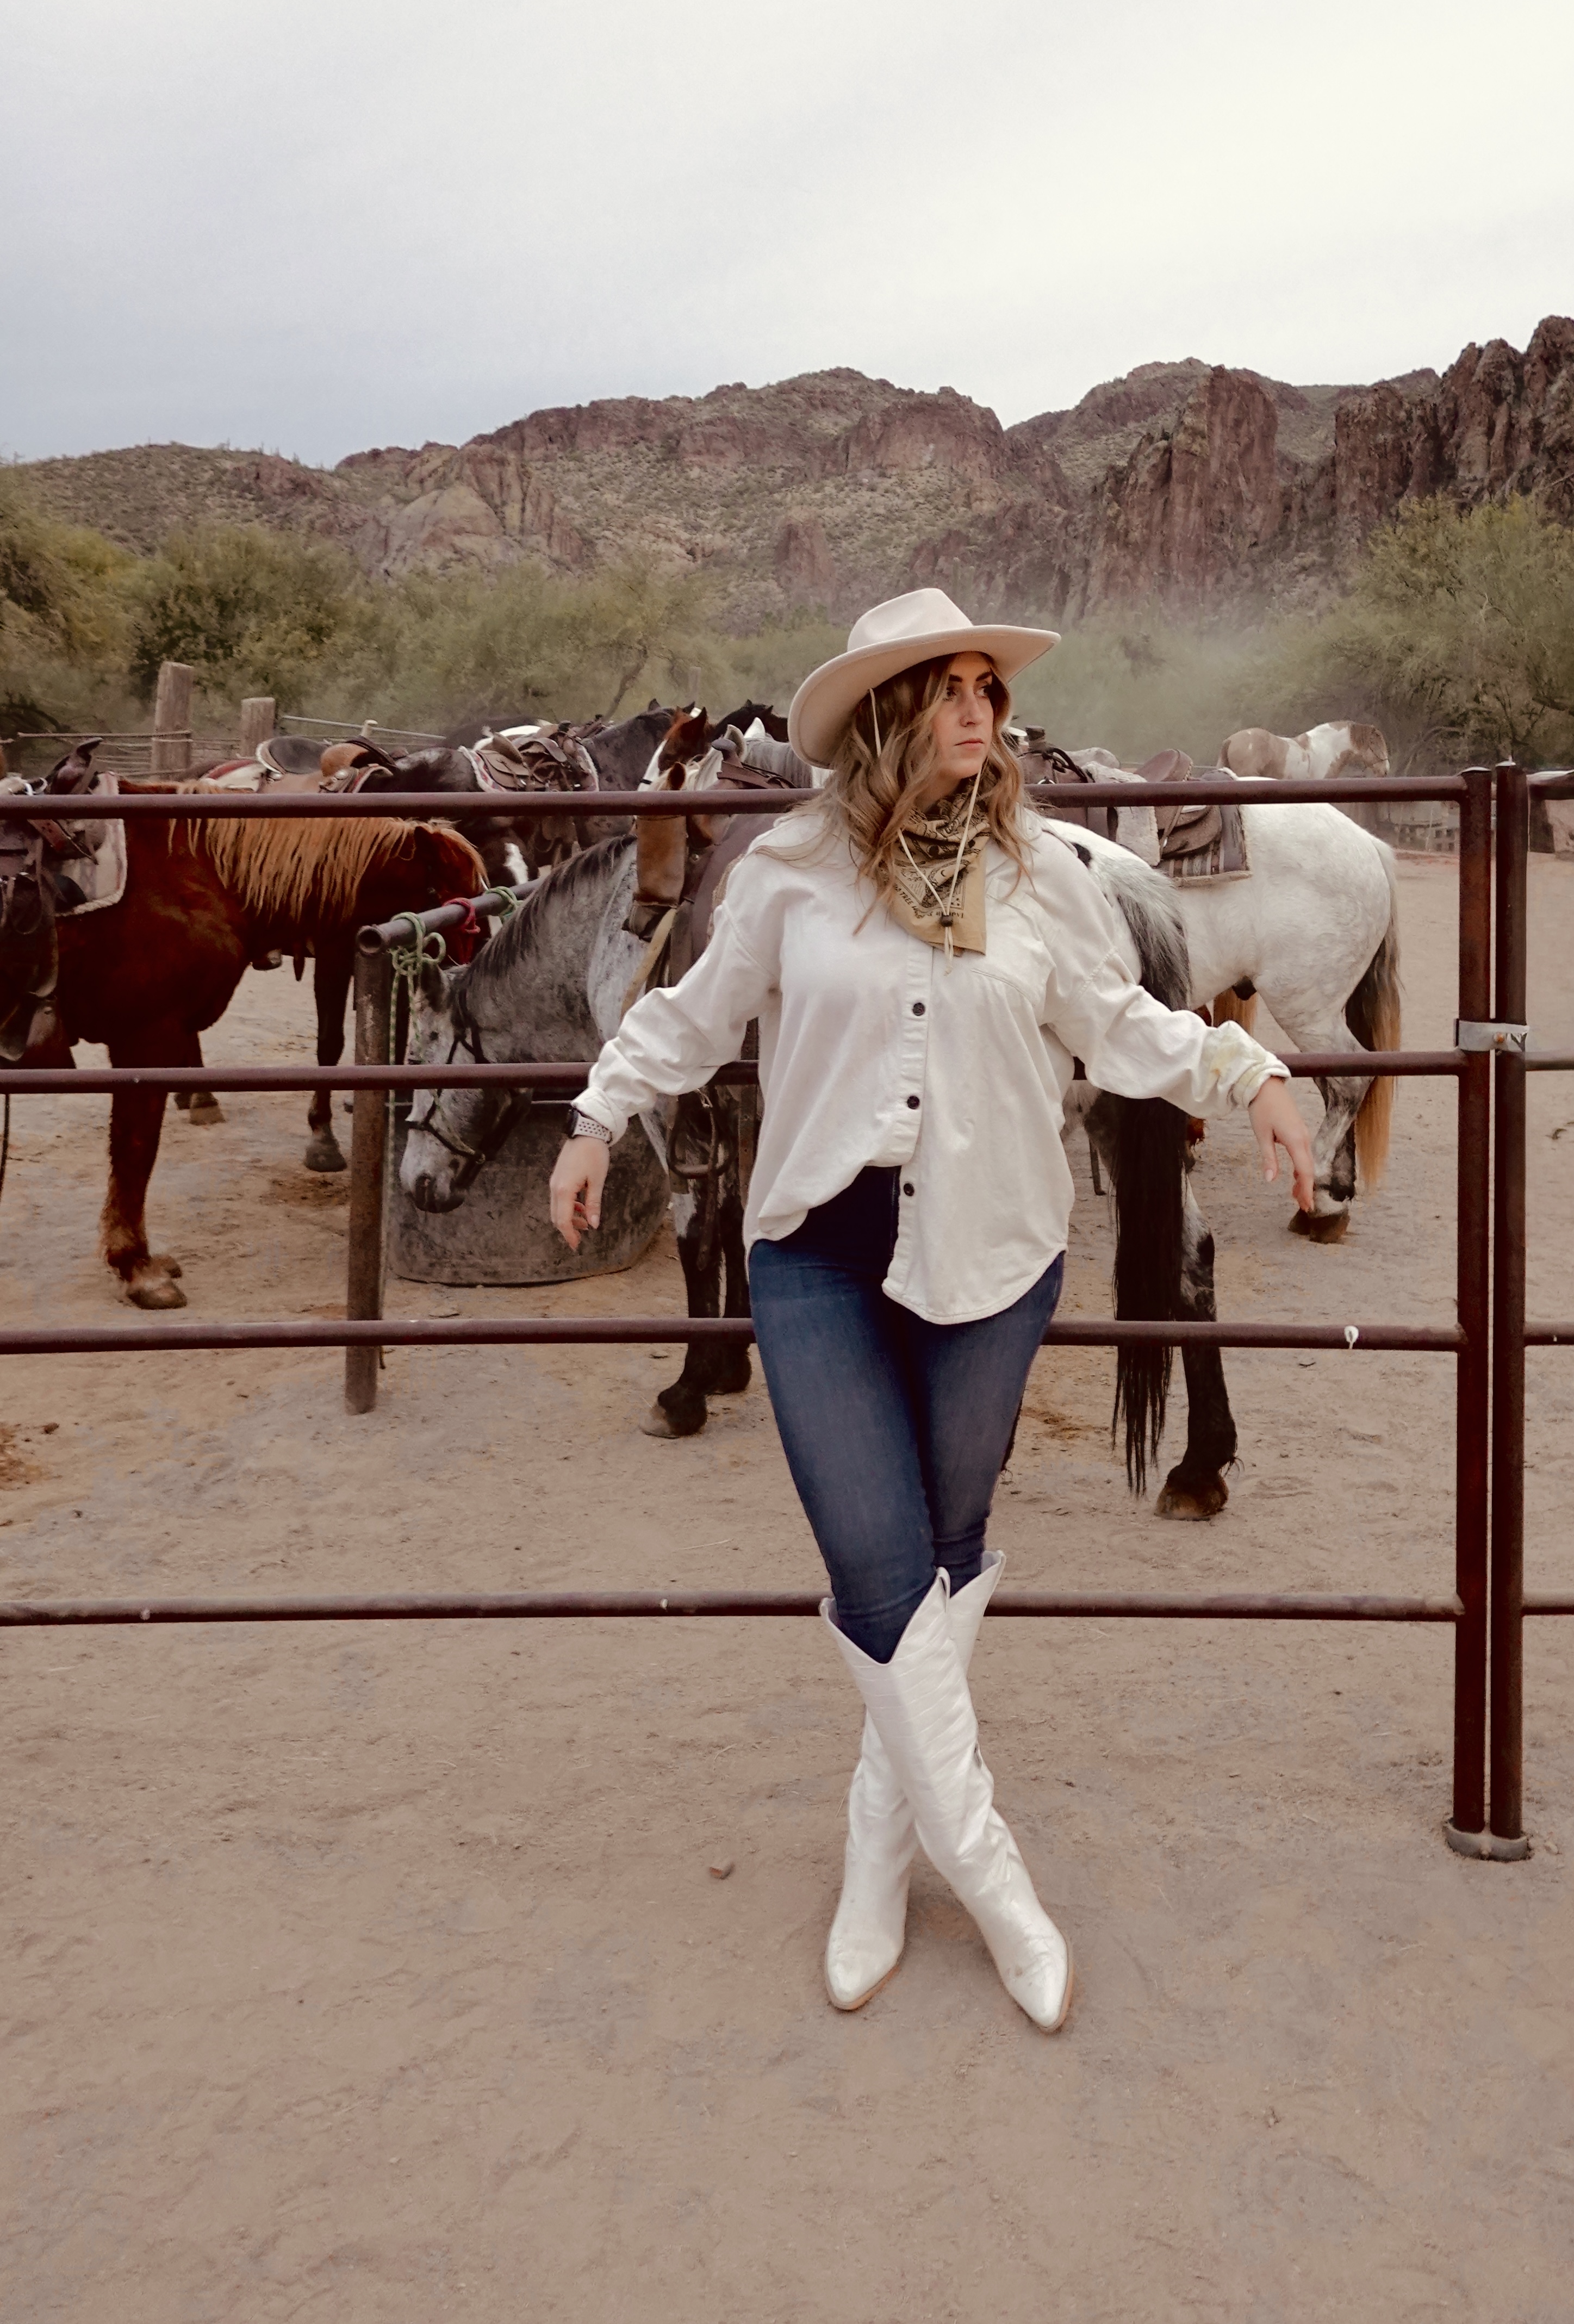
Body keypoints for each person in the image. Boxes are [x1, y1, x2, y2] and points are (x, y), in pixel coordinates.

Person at [549, 589, 1313, 2033]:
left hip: (993, 1258)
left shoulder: (1039, 875)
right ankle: (994, 1878)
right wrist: (598, 1116)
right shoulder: (788, 870)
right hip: (816, 1262)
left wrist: (1245, 1073)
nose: (982, 707)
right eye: (950, 686)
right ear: (892, 715)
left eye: (988, 686)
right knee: (886, 1573)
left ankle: (877, 1853)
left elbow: (1117, 1024)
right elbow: (695, 1018)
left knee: (947, 1558)